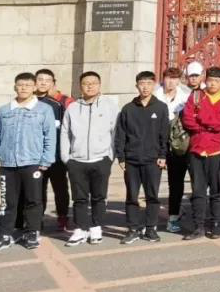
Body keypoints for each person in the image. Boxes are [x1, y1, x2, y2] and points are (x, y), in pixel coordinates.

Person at [0, 73, 56, 251]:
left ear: (34, 87)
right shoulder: (4, 111)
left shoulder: (44, 110)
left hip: (33, 163)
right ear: (15, 87)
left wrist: (47, 159)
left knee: (33, 200)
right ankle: (4, 235)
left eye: (28, 85)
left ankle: (32, 232)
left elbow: (50, 136)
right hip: (8, 165)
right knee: (7, 202)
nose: (24, 88)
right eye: (20, 85)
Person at [60, 72, 118, 247]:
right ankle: (81, 228)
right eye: (86, 83)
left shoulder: (110, 106)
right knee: (79, 198)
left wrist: (110, 156)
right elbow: (65, 133)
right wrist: (66, 158)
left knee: (99, 196)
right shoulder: (72, 108)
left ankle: (96, 227)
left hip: (101, 159)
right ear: (80, 86)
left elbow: (115, 133)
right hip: (77, 161)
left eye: (93, 83)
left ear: (99, 85)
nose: (90, 86)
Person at [114, 71, 170, 244]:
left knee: (152, 196)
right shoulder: (128, 109)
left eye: (149, 83)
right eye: (142, 83)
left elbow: (164, 134)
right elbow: (120, 134)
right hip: (131, 160)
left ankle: (151, 228)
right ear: (136, 86)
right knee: (132, 196)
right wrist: (121, 157)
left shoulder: (161, 107)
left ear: (154, 85)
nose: (145, 87)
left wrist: (163, 155)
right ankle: (133, 228)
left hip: (153, 160)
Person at [180, 66, 220, 240]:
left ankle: (217, 224)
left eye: (217, 81)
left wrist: (202, 119)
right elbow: (188, 119)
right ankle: (199, 226)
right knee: (198, 191)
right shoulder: (197, 95)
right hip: (196, 149)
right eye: (210, 80)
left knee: (217, 191)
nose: (212, 84)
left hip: (216, 150)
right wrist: (205, 126)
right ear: (206, 79)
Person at [165, 62, 202, 234]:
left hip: (193, 144)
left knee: (198, 184)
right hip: (173, 146)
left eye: (196, 75)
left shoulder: (194, 95)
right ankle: (173, 217)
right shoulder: (158, 95)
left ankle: (198, 219)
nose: (171, 82)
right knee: (175, 184)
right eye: (168, 78)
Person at [34, 68, 71, 231]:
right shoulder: (28, 102)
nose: (43, 83)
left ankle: (63, 217)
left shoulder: (58, 104)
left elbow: (66, 129)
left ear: (53, 83)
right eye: (40, 79)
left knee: (60, 188)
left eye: (47, 80)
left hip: (56, 155)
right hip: (34, 156)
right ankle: (37, 219)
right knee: (36, 190)